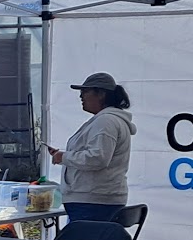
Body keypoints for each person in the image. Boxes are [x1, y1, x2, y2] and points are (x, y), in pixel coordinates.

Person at [48, 72, 136, 224]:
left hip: (93, 201)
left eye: (85, 92)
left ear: (101, 94)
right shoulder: (108, 120)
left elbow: (98, 159)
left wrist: (64, 157)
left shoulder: (105, 121)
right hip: (97, 200)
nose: (81, 96)